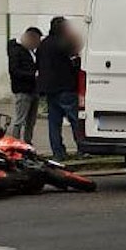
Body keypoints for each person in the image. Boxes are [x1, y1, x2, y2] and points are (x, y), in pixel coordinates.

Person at [37, 17, 81, 160]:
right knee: (75, 120)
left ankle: (58, 152)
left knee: (54, 123)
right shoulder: (63, 43)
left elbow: (39, 64)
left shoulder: (43, 44)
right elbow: (75, 60)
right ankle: (82, 148)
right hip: (66, 87)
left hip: (50, 89)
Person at [7, 27, 42, 143]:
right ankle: (15, 142)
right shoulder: (16, 51)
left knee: (31, 120)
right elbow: (14, 70)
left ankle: (28, 141)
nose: (37, 45)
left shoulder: (31, 51)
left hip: (33, 89)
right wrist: (33, 75)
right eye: (36, 41)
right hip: (23, 89)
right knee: (20, 119)